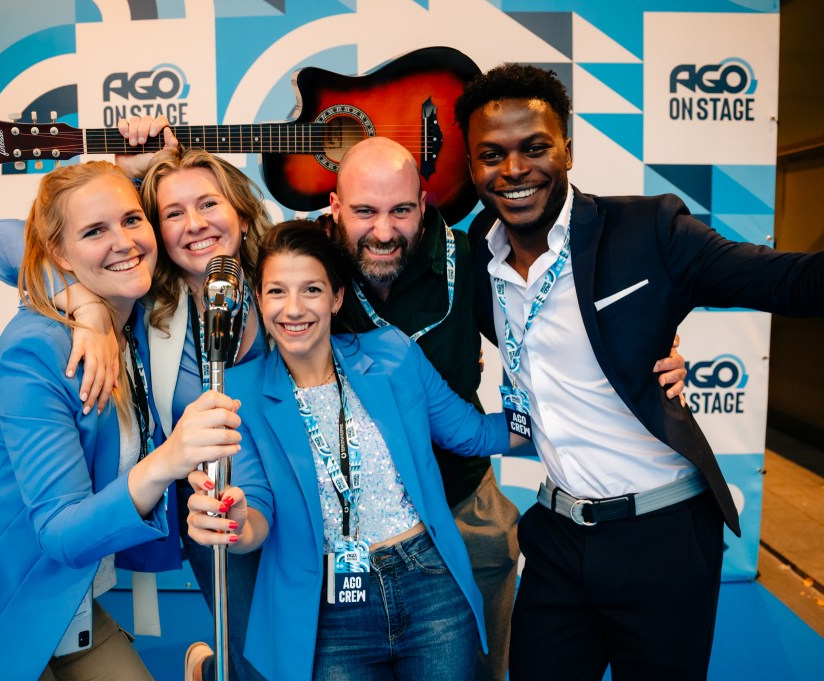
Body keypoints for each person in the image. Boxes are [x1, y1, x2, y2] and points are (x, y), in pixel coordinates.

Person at [453, 63, 824, 681]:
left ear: (568, 148)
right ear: (471, 167)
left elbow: (787, 280)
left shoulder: (647, 230)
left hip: (664, 537)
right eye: (491, 154)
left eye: (535, 147)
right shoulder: (473, 265)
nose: (514, 170)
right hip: (558, 539)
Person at [321, 135, 689, 681]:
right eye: (364, 211)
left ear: (423, 206)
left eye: (401, 211)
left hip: (462, 502)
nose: (383, 231)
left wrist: (656, 352)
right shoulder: (303, 266)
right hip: (346, 527)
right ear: (334, 206)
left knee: (487, 671)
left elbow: (565, 327)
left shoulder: (471, 259)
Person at [0, 161, 243, 681]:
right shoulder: (36, 350)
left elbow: (27, 249)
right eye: (95, 231)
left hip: (66, 602)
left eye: (131, 220)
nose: (123, 241)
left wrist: (90, 305)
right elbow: (58, 531)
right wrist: (170, 460)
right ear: (58, 253)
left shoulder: (140, 313)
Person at [0, 116, 271, 681]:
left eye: (209, 204)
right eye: (171, 213)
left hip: (304, 499)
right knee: (253, 661)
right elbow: (0, 234)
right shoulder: (144, 303)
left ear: (240, 210)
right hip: (222, 513)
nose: (196, 224)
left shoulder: (278, 278)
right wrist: (82, 304)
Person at [186, 220, 512, 681]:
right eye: (277, 291)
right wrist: (236, 519)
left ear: (337, 298)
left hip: (430, 587)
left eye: (312, 290)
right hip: (326, 608)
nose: (293, 309)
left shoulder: (392, 354)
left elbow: (473, 434)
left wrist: (558, 415)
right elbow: (256, 510)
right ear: (258, 299)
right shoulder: (237, 393)